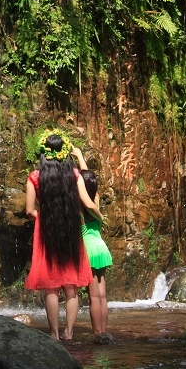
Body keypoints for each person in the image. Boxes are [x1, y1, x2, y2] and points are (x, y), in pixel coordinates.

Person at [25, 130, 103, 340]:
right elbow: (86, 202)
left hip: (46, 230)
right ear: (65, 152)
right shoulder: (74, 174)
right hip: (70, 227)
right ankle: (69, 333)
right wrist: (100, 216)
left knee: (51, 288)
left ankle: (54, 334)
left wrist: (42, 219)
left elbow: (30, 210)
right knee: (71, 287)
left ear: (43, 154)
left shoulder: (35, 176)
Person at [71, 146, 113, 341]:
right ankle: (103, 332)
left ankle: (97, 334)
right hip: (101, 247)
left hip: (87, 250)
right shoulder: (95, 199)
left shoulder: (78, 203)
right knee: (101, 295)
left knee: (92, 297)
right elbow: (88, 180)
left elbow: (83, 181)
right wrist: (80, 156)